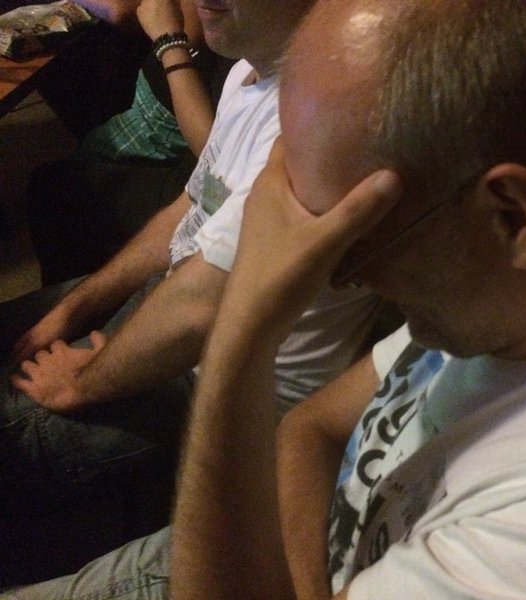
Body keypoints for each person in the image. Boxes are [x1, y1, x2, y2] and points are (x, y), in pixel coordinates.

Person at [7, 0, 526, 598]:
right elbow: (310, 429)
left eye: (350, 245)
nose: (344, 283)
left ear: (512, 217)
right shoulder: (514, 310)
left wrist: (246, 321)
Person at [0, 0, 382, 587]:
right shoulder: (247, 70)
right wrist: (75, 307)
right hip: (177, 308)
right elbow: (191, 205)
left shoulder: (317, 115)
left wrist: (81, 380)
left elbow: (203, 306)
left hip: (220, 383)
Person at [27, 0, 234, 285]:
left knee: (51, 189)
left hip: (196, 166)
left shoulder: (259, 59)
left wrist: (170, 43)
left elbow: (216, 156)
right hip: (172, 119)